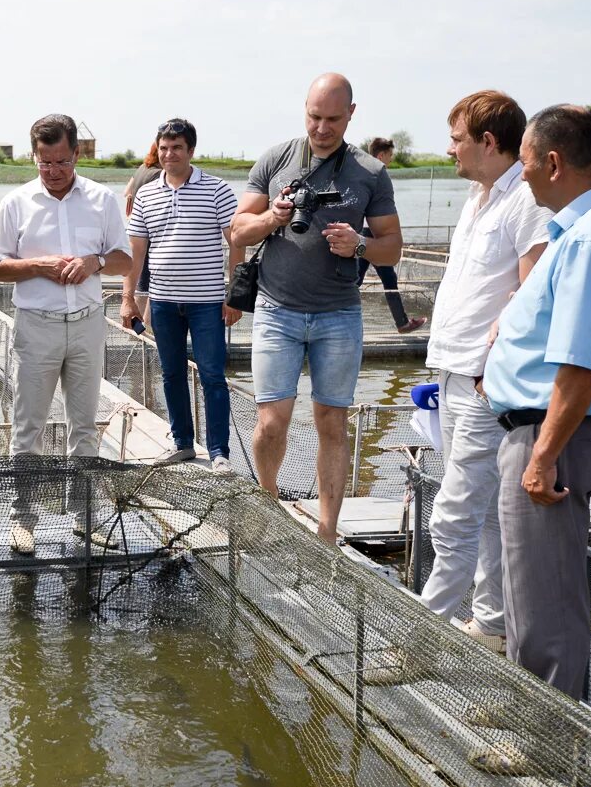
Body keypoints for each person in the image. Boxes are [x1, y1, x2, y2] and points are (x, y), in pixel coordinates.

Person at [484, 105, 591, 699]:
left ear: (554, 163)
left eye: (526, 164)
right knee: (535, 591)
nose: (523, 177)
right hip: (545, 430)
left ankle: (543, 740)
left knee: (545, 605)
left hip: (550, 435)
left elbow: (580, 364)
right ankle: (537, 719)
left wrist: (542, 455)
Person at [230, 73, 402, 545]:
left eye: (332, 118)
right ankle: (269, 507)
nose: (322, 127)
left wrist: (360, 244)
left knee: (332, 421)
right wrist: (272, 217)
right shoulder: (276, 159)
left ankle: (327, 532)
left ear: (351, 114)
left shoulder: (369, 171)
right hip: (277, 310)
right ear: (303, 109)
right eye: (313, 116)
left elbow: (393, 248)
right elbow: (237, 232)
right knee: (271, 421)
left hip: (338, 315)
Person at [420, 91, 550, 653]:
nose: (449, 149)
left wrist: (492, 366)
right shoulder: (477, 198)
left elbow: (531, 290)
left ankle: (419, 638)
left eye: (456, 139)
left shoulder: (525, 199)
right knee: (488, 509)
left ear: (488, 142)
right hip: (453, 369)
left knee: (452, 512)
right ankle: (491, 623)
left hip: (483, 377)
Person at [0, 114, 131, 556]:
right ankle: (22, 519)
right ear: (34, 155)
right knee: (27, 426)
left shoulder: (103, 200)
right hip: (36, 327)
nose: (52, 171)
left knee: (84, 426)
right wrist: (39, 266)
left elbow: (125, 260)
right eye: (44, 162)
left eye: (61, 162)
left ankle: (83, 517)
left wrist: (95, 263)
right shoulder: (16, 203)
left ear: (76, 154)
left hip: (87, 324)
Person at [120, 118, 243, 472]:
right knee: (171, 373)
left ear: (190, 151)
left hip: (207, 303)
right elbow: (136, 251)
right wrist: (128, 298)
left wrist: (234, 295)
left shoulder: (217, 189)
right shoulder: (146, 193)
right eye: (163, 148)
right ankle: (182, 443)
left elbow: (235, 242)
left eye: (176, 148)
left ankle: (219, 452)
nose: (169, 154)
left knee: (212, 375)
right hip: (161, 301)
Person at [358, 138, 426, 334]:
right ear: (381, 155)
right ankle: (402, 323)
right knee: (383, 280)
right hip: (375, 234)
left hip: (364, 232)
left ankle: (402, 322)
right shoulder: (378, 175)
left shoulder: (362, 172)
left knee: (359, 280)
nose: (391, 159)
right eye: (389, 155)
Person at [123, 140, 162, 329]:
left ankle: (135, 330)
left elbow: (126, 192)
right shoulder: (158, 174)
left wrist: (132, 198)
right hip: (151, 234)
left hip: (136, 230)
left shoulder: (141, 168)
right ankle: (148, 331)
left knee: (141, 280)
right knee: (152, 285)